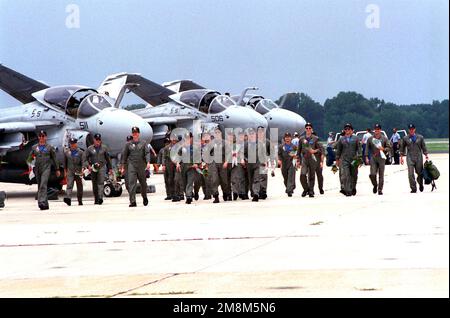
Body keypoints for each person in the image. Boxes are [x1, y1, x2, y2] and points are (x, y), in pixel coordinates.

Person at [28, 130, 60, 210]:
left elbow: (55, 159)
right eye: (40, 136)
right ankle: (45, 204)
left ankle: (41, 201)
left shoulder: (50, 147)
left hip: (46, 168)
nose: (42, 138)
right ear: (38, 137)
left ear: (46, 137)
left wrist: (57, 169)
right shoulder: (34, 147)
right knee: (40, 186)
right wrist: (30, 167)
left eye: (43, 136)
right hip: (37, 169)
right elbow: (29, 159)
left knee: (43, 184)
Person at [121, 127, 151, 207]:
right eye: (133, 133)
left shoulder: (143, 143)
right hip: (132, 165)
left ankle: (144, 197)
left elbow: (147, 153)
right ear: (132, 134)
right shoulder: (128, 144)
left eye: (136, 133)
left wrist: (148, 162)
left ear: (139, 134)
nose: (135, 134)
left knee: (143, 184)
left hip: (141, 165)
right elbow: (125, 156)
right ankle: (133, 201)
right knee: (132, 184)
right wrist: (123, 166)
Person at [83, 133, 112, 205]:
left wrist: (110, 168)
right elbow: (84, 158)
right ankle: (96, 198)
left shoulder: (104, 148)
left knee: (101, 182)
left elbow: (108, 159)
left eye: (99, 140)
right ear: (94, 140)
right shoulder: (90, 149)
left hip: (101, 167)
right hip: (93, 168)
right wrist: (88, 166)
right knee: (95, 184)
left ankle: (100, 198)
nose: (98, 142)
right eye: (96, 140)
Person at [400, 124, 429, 193]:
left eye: (412, 129)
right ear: (408, 130)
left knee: (419, 173)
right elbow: (402, 148)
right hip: (410, 157)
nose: (411, 130)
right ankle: (413, 188)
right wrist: (401, 157)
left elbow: (423, 147)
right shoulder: (405, 138)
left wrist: (426, 155)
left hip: (418, 156)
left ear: (415, 129)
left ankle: (420, 184)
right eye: (410, 129)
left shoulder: (420, 137)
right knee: (410, 174)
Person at [335, 123, 362, 197]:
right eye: (346, 129)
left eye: (349, 129)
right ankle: (348, 190)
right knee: (345, 175)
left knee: (354, 174)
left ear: (352, 130)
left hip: (354, 159)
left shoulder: (356, 138)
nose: (347, 130)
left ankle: (353, 187)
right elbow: (339, 150)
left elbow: (359, 149)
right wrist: (337, 159)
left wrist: (359, 158)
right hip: (344, 159)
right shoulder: (341, 139)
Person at [364, 124, 391, 195]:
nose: (377, 130)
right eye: (375, 129)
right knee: (372, 174)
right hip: (373, 157)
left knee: (381, 174)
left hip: (382, 157)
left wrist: (384, 149)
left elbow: (389, 147)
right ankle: (375, 184)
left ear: (380, 130)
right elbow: (367, 148)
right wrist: (366, 157)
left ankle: (380, 189)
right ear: (374, 130)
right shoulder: (370, 139)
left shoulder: (384, 138)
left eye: (378, 129)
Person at [297, 123, 321, 197]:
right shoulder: (301, 139)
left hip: (312, 158)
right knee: (302, 175)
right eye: (307, 128)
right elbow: (299, 150)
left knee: (311, 175)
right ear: (305, 129)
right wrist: (298, 161)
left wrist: (314, 151)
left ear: (312, 129)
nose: (308, 129)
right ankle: (306, 189)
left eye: (309, 128)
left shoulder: (315, 138)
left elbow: (320, 149)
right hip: (304, 158)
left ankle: (311, 190)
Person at [63, 138, 84, 206]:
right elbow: (65, 163)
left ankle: (80, 200)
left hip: (78, 171)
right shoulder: (67, 152)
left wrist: (82, 170)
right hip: (70, 171)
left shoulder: (80, 152)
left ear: (76, 143)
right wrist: (65, 171)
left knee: (79, 186)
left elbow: (83, 162)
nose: (72, 145)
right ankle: (68, 199)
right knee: (69, 185)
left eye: (74, 143)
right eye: (71, 143)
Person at [278, 132, 296, 196]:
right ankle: (290, 187)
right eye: (286, 137)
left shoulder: (294, 146)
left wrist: (297, 160)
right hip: (284, 163)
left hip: (291, 163)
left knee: (290, 177)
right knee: (285, 177)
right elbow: (279, 154)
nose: (287, 139)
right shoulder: (281, 146)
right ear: (284, 138)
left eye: (288, 137)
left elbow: (295, 154)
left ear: (291, 138)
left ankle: (289, 190)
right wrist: (279, 160)